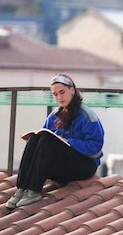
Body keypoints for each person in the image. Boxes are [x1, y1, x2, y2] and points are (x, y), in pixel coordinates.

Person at [6, 73, 105, 208]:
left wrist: (68, 142)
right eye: (55, 94)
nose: (59, 97)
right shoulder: (54, 116)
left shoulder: (87, 115)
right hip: (62, 166)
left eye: (62, 92)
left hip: (84, 166)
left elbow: (95, 147)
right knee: (35, 138)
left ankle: (34, 190)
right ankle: (22, 189)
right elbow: (43, 139)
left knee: (47, 139)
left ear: (72, 90)